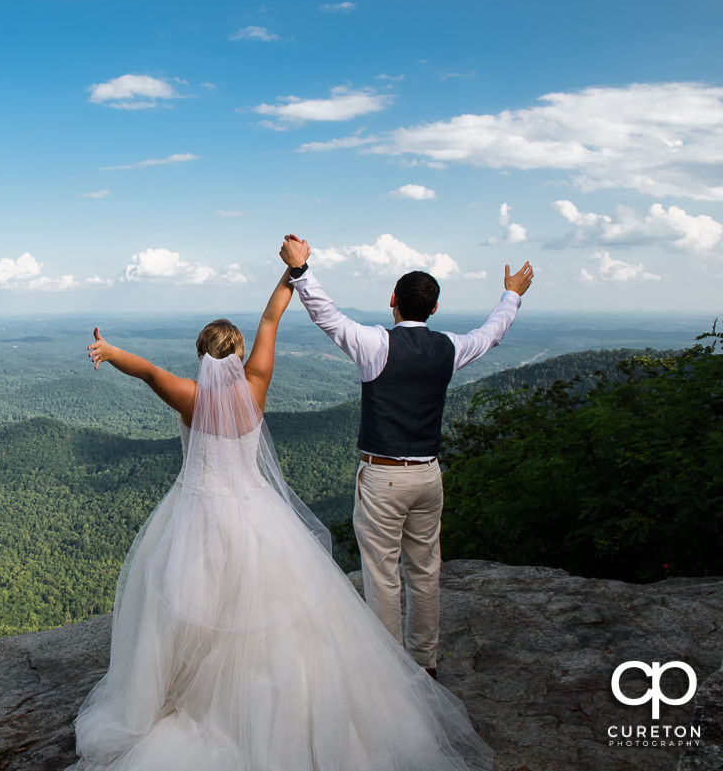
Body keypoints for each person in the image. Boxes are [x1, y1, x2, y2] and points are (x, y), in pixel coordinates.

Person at [70, 263, 493, 771]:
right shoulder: (256, 387)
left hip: (196, 516)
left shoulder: (192, 398)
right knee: (266, 614)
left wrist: (109, 351)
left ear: (201, 357)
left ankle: (184, 696)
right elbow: (270, 321)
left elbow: (145, 371)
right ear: (240, 355)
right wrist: (290, 274)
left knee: (187, 606)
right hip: (256, 517)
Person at [278, 234, 534, 678]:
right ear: (433, 309)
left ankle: (389, 672)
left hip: (383, 476)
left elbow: (327, 316)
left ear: (392, 299)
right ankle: (424, 662)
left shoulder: (376, 345)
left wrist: (301, 270)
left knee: (382, 577)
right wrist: (511, 293)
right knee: (425, 570)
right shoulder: (449, 348)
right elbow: (491, 333)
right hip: (429, 476)